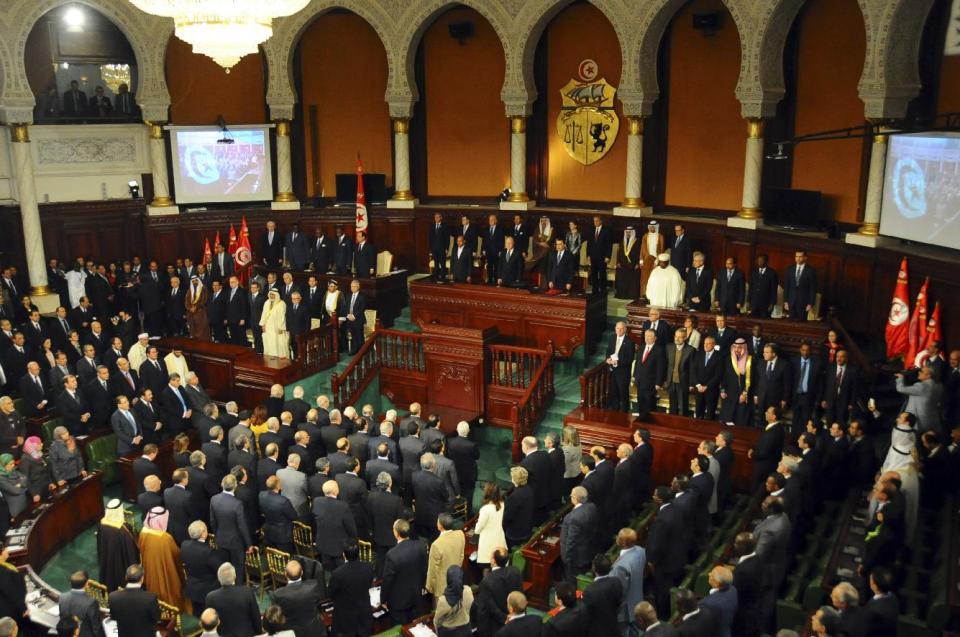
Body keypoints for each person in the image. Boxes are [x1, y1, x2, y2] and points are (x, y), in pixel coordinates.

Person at [139, 507, 190, 613]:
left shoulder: (143, 532)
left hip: (149, 570)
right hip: (165, 570)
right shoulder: (165, 538)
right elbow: (176, 555)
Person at [381, 518, 427, 624]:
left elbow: (387, 580)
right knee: (415, 627)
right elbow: (424, 568)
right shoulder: (420, 546)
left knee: (402, 629)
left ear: (396, 533)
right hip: (416, 596)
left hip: (398, 602)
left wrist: (383, 599)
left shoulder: (391, 555)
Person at [210, 473, 253, 579]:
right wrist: (249, 544)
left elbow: (212, 522)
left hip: (221, 540)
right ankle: (237, 591)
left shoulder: (214, 499)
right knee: (238, 570)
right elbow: (242, 526)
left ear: (222, 484)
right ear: (235, 486)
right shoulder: (237, 504)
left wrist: (218, 535)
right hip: (236, 543)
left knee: (225, 569)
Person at [328, 542, 376, 637]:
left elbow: (331, 594)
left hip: (346, 616)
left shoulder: (337, 574)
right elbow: (369, 584)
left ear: (344, 555)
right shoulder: (369, 567)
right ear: (358, 553)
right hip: (364, 611)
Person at [205, 563, 262, 637]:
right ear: (234, 576)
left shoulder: (210, 597)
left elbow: (211, 623)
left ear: (219, 578)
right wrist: (259, 631)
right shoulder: (247, 592)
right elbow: (256, 616)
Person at [181, 521, 225, 618]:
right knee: (210, 617)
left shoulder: (184, 545)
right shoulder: (207, 552)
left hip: (192, 587)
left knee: (197, 614)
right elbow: (220, 568)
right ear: (203, 534)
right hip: (208, 590)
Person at [271, 560, 326, 637]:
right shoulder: (313, 585)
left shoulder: (278, 594)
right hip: (314, 631)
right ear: (302, 572)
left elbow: (276, 617)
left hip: (292, 633)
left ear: (285, 574)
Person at [475, 547, 522, 637]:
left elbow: (489, 606)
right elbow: (520, 594)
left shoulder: (486, 581)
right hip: (515, 617)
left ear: (493, 561)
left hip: (496, 624)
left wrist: (505, 619)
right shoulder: (515, 571)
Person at [108, 565, 160, 637]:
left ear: (126, 577)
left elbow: (113, 617)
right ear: (142, 579)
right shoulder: (150, 598)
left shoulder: (113, 597)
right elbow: (156, 618)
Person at [560, 486, 596, 586]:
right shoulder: (592, 507)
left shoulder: (573, 518)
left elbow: (571, 540)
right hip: (587, 550)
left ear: (575, 498)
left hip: (575, 557)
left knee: (572, 580)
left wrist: (567, 558)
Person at [581, 555, 622, 637]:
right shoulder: (616, 581)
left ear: (594, 569)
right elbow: (618, 603)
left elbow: (587, 615)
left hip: (598, 631)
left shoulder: (589, 591)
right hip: (614, 626)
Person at [895, 366, 942, 433]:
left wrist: (900, 378)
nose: (919, 373)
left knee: (917, 441)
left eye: (922, 372)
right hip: (933, 419)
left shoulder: (921, 386)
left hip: (919, 421)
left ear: (928, 375)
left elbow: (901, 389)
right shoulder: (939, 386)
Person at [720, 338, 755, 426]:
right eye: (735, 347)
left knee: (740, 422)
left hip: (743, 396)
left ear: (744, 348)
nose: (736, 349)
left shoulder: (750, 361)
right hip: (729, 395)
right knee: (727, 421)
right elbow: (724, 376)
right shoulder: (728, 359)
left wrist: (745, 393)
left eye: (739, 347)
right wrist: (723, 390)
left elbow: (752, 379)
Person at [59, 571, 106, 637]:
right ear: (86, 584)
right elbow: (96, 628)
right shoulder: (91, 602)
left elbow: (62, 618)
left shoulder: (62, 597)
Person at [434, 565, 473, 637]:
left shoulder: (443, 600)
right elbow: (469, 609)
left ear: (448, 579)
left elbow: (437, 621)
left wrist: (437, 632)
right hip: (466, 629)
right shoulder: (468, 590)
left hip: (448, 633)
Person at [698, 566, 738, 637]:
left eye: (712, 575)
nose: (709, 574)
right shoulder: (733, 589)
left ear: (717, 584)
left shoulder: (707, 604)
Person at [634, 329, 665, 418]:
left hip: (651, 382)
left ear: (655, 338)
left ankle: (650, 422)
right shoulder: (642, 346)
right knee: (640, 401)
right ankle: (641, 419)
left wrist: (659, 382)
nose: (647, 338)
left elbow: (661, 368)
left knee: (649, 404)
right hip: (640, 380)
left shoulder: (659, 350)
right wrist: (635, 376)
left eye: (649, 336)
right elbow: (638, 363)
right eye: (646, 336)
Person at [475, 482, 506, 569]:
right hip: (499, 537)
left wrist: (477, 528)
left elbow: (478, 528)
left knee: (488, 564)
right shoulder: (502, 504)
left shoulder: (485, 509)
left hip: (487, 541)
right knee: (498, 563)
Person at [606, 321, 635, 412]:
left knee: (623, 394)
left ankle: (624, 413)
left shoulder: (629, 342)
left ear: (625, 330)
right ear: (615, 329)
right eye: (618, 328)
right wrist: (607, 360)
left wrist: (618, 362)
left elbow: (629, 359)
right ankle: (615, 411)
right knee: (614, 392)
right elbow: (608, 352)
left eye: (621, 328)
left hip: (623, 373)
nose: (619, 330)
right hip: (613, 371)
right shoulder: (612, 338)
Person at [664, 327, 694, 416]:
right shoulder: (669, 347)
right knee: (672, 406)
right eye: (676, 336)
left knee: (683, 406)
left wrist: (691, 384)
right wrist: (665, 380)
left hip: (683, 383)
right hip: (671, 382)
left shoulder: (690, 350)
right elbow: (666, 365)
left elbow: (692, 368)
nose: (677, 339)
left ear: (685, 338)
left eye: (680, 337)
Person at [503, 466, 534, 548]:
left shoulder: (514, 497)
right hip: (527, 528)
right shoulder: (529, 489)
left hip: (515, 533)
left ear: (514, 479)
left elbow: (507, 517)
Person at [783, 249, 817, 320]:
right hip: (791, 301)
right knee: (791, 323)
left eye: (800, 256)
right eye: (796, 256)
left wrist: (810, 303)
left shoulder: (811, 270)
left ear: (805, 257)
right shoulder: (790, 269)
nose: (798, 258)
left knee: (801, 323)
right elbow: (787, 286)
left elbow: (812, 289)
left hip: (804, 303)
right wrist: (785, 301)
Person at [20, 436, 55, 502]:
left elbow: (46, 470)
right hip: (37, 491)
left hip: (47, 486)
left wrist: (50, 482)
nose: (42, 444)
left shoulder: (40, 454)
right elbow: (25, 478)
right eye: (39, 443)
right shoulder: (25, 459)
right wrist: (34, 494)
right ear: (33, 446)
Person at [260, 290, 289, 359]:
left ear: (277, 295)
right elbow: (263, 314)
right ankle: (270, 356)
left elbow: (282, 317)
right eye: (270, 294)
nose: (271, 296)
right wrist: (263, 324)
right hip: (267, 326)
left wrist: (281, 328)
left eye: (273, 294)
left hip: (277, 327)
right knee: (269, 341)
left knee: (277, 342)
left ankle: (277, 357)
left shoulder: (281, 303)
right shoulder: (266, 302)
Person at [638, 220, 664, 300]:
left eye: (653, 227)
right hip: (646, 259)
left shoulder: (660, 236)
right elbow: (642, 248)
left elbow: (662, 250)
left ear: (656, 227)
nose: (652, 228)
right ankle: (644, 294)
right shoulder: (645, 236)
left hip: (655, 261)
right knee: (644, 278)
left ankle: (653, 295)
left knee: (654, 278)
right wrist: (641, 260)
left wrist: (657, 261)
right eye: (651, 226)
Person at [587, 215, 612, 293]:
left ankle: (603, 290)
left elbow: (609, 244)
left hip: (602, 256)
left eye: (597, 221)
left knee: (602, 274)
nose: (595, 222)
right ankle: (595, 290)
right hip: (593, 256)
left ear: (601, 221)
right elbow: (589, 244)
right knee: (593, 274)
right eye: (594, 221)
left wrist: (608, 256)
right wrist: (588, 255)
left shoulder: (606, 230)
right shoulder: (591, 230)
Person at [615, 226, 640, 300]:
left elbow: (639, 253)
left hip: (633, 264)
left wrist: (637, 263)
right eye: (627, 232)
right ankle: (622, 294)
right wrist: (618, 262)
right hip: (623, 263)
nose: (628, 234)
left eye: (629, 232)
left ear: (632, 233)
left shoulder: (636, 241)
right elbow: (619, 252)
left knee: (633, 277)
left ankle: (631, 295)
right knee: (621, 274)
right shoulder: (623, 240)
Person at [342, 279, 367, 355]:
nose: (352, 288)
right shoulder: (348, 296)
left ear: (358, 287)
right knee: (353, 336)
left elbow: (362, 308)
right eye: (351, 286)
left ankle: (362, 351)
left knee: (359, 336)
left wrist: (354, 316)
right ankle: (355, 349)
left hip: (358, 319)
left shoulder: (362, 297)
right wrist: (348, 315)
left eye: (354, 286)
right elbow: (345, 307)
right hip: (349, 319)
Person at [429, 213, 452, 281]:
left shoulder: (445, 226)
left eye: (438, 217)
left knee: (442, 263)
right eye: (435, 217)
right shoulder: (432, 226)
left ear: (441, 218)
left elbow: (447, 238)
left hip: (442, 248)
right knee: (436, 263)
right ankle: (436, 277)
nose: (436, 219)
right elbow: (430, 238)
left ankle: (442, 277)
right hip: (434, 248)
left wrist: (447, 248)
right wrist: (431, 248)